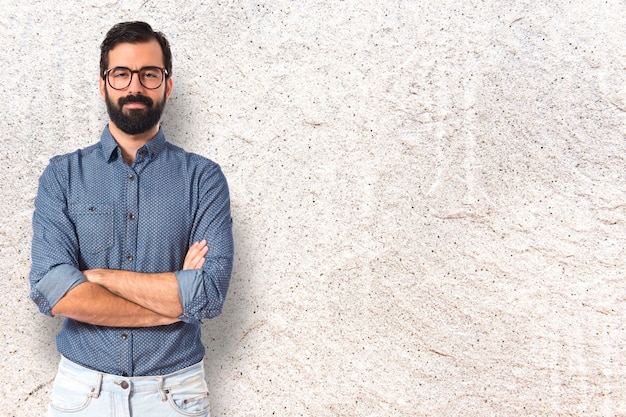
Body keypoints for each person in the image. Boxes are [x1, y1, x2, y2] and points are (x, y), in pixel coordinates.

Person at [29, 21, 233, 416]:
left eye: (149, 74)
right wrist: (174, 303)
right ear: (104, 84)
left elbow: (207, 295)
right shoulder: (62, 175)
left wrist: (100, 277)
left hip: (174, 394)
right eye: (121, 74)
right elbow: (54, 290)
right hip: (81, 394)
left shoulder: (203, 178)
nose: (135, 86)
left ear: (167, 85)